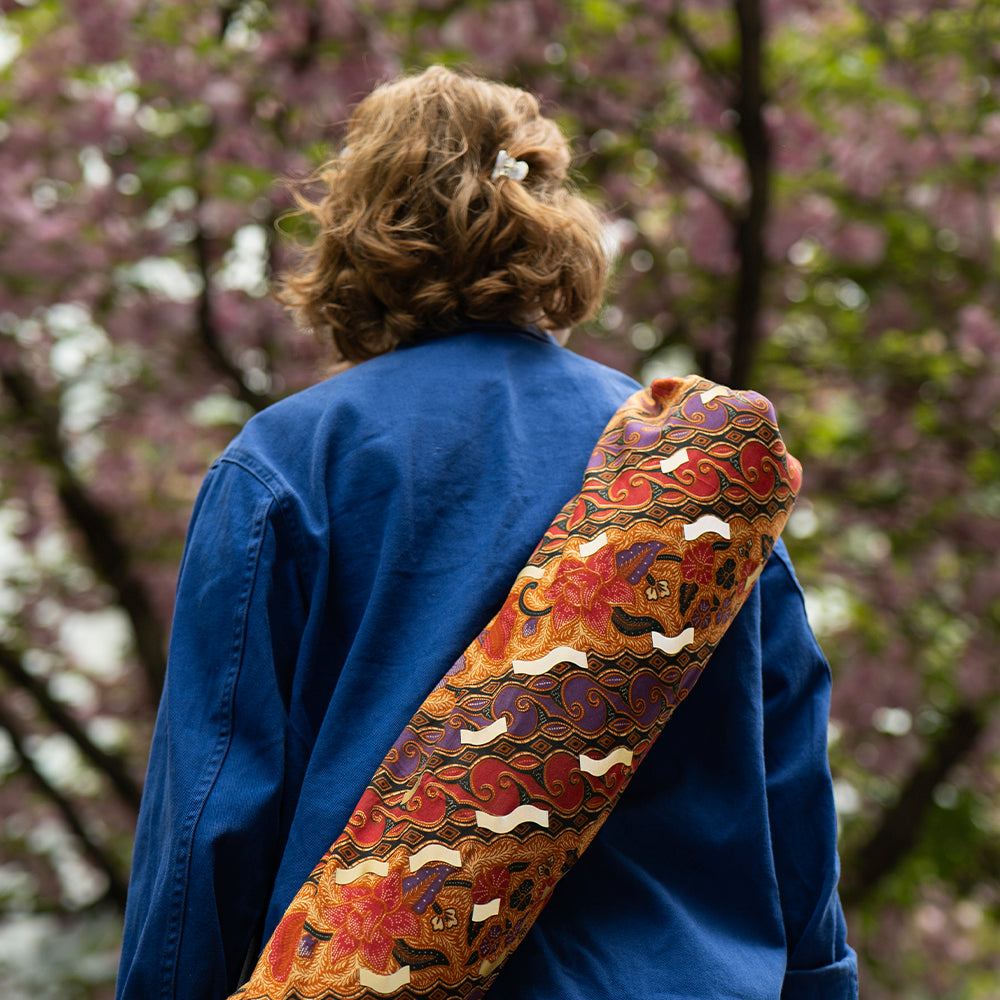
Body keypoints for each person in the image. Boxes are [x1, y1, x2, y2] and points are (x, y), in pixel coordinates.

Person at [116, 66, 857, 1000]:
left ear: (356, 234)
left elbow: (209, 818)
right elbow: (788, 784)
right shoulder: (688, 462)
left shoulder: (290, 465)